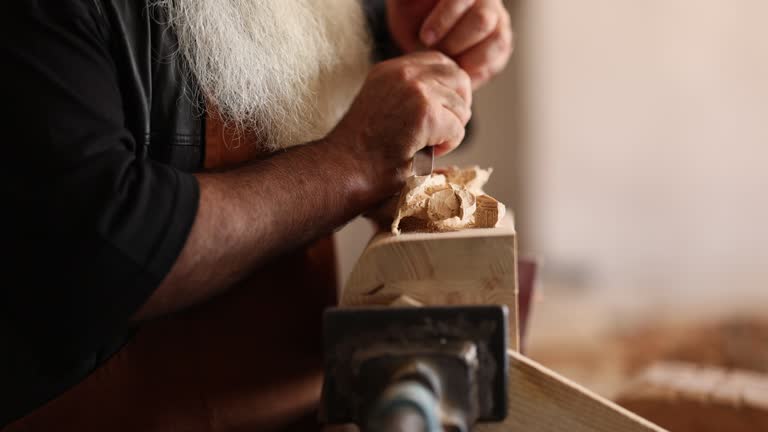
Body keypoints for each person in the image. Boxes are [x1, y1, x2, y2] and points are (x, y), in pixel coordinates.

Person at [0, 0, 513, 430]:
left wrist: (421, 46)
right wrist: (352, 165)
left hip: (297, 409)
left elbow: (369, 104)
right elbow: (104, 250)